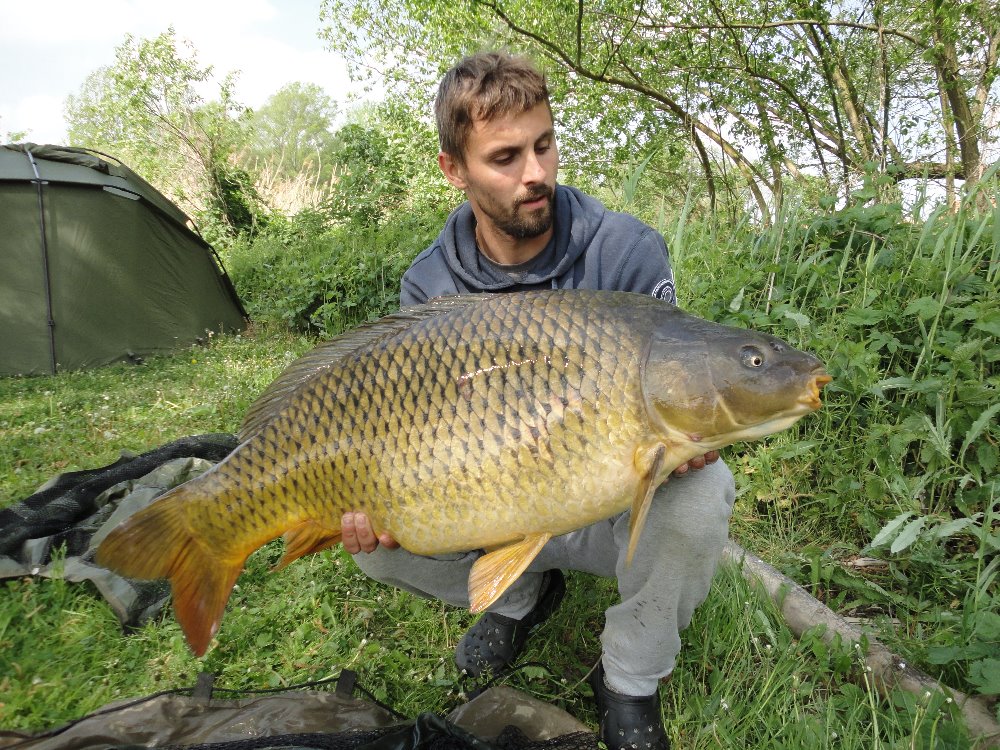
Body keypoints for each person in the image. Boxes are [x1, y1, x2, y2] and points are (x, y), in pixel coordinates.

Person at [340, 52, 735, 750]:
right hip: (489, 498)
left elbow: (677, 366)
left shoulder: (625, 251)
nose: (536, 173)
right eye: (505, 157)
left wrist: (683, 437)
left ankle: (630, 677)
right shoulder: (431, 287)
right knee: (375, 546)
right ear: (454, 169)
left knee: (704, 494)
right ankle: (521, 594)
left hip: (608, 504)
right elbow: (418, 434)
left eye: (544, 145)